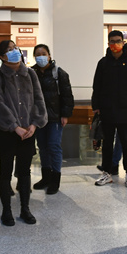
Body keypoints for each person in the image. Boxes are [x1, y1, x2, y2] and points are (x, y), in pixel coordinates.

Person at [0, 40, 47, 226]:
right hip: (7, 132)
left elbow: (39, 99)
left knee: (24, 171)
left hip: (28, 131)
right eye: (10, 50)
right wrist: (15, 126)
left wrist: (34, 124)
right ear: (2, 57)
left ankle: (25, 209)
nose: (15, 51)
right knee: (5, 170)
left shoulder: (30, 73)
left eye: (15, 48)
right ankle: (6, 210)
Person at [91, 30, 127, 188]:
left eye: (118, 41)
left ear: (123, 43)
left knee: (126, 143)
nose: (115, 44)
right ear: (108, 43)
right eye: (112, 41)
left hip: (126, 110)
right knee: (107, 144)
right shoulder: (103, 63)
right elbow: (97, 86)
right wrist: (96, 106)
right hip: (107, 110)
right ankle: (107, 172)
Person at [31, 44, 74, 195]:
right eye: (38, 54)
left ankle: (55, 180)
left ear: (49, 56)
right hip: (39, 118)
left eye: (44, 54)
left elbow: (67, 96)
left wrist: (65, 115)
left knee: (53, 146)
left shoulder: (59, 73)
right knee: (42, 147)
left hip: (55, 117)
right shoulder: (32, 73)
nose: (41, 57)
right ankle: (46, 177)